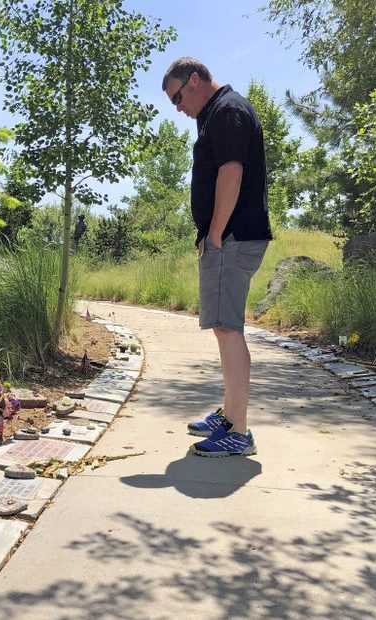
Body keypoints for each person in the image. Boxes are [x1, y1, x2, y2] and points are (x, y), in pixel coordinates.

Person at [162, 57, 272, 457]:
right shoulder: (216, 114)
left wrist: (215, 232)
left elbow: (231, 172)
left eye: (177, 96)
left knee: (228, 329)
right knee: (224, 328)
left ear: (195, 79)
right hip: (230, 236)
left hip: (232, 236)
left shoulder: (227, 110)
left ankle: (238, 433)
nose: (177, 107)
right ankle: (230, 415)